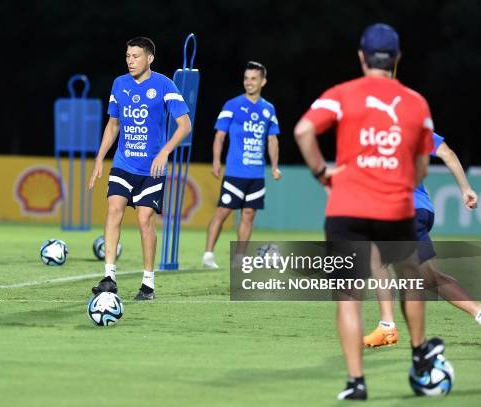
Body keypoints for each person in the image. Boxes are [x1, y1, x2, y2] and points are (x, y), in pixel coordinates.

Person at [294, 23, 442, 400]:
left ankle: (356, 382)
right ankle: (419, 354)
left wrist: (322, 173)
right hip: (394, 205)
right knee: (410, 276)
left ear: (361, 56)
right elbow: (424, 164)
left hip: (346, 206)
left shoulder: (342, 93)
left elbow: (302, 132)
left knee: (347, 295)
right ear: (397, 58)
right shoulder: (416, 103)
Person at [88, 37, 191, 300]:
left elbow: (185, 124)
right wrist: (100, 158)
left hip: (151, 170)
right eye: (127, 56)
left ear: (149, 58)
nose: (130, 61)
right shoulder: (119, 84)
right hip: (124, 163)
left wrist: (165, 152)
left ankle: (148, 283)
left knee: (145, 221)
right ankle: (109, 277)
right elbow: (113, 125)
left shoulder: (165, 85)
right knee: (114, 209)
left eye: (135, 56)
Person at [364, 133, 480, 347]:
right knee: (428, 278)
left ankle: (387, 328)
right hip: (422, 210)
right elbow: (448, 153)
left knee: (377, 259)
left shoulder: (373, 134)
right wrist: (465, 189)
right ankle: (478, 312)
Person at [202, 61, 281, 269]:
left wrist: (274, 166)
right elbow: (220, 135)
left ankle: (239, 258)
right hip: (235, 173)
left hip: (256, 175)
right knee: (223, 211)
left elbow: (272, 140)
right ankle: (208, 255)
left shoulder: (268, 109)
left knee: (249, 215)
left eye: (253, 78)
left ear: (263, 81)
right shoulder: (232, 105)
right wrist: (216, 161)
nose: (249, 82)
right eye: (246, 78)